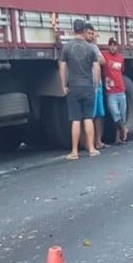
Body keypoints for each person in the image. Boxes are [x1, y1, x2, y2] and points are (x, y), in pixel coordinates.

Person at [59, 19, 100, 160]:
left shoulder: (67, 47)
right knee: (88, 118)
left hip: (74, 87)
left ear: (73, 30)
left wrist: (63, 85)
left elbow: (62, 66)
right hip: (88, 86)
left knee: (75, 119)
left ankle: (75, 152)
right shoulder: (90, 48)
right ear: (84, 31)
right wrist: (96, 85)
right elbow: (96, 67)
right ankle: (92, 149)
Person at [85, 24, 108, 150]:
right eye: (89, 33)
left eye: (92, 33)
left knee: (99, 114)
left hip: (98, 84)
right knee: (90, 115)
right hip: (89, 84)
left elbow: (103, 61)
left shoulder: (93, 47)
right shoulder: (84, 47)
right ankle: (90, 143)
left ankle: (98, 141)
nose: (91, 35)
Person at [101, 37, 128, 141]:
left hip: (120, 89)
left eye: (114, 45)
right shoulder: (105, 56)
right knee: (115, 113)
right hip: (111, 91)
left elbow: (122, 71)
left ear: (117, 46)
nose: (112, 47)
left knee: (122, 115)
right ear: (108, 46)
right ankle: (124, 129)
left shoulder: (121, 58)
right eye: (111, 45)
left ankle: (118, 138)